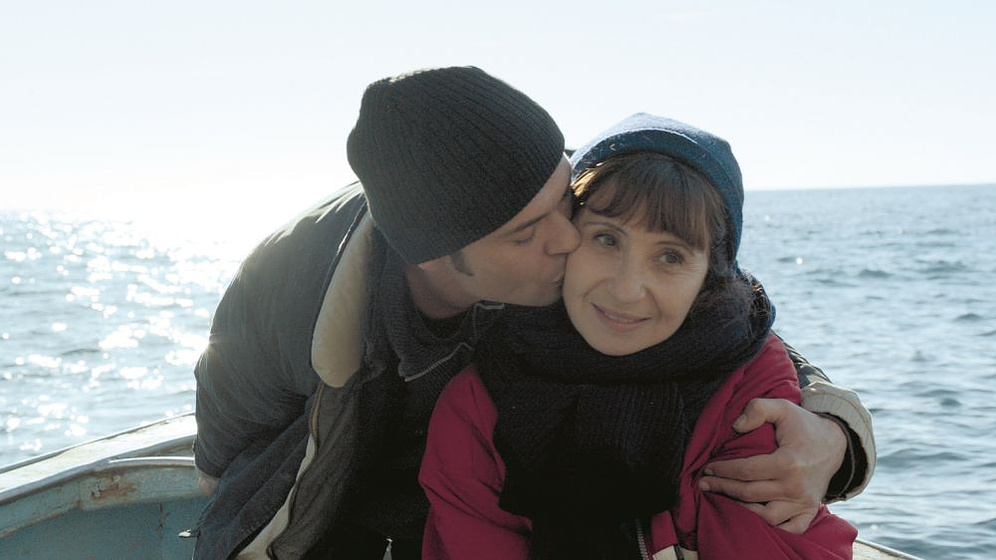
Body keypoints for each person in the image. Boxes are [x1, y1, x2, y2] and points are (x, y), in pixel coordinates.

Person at [191, 68, 873, 559]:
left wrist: (834, 426)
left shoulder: (558, 198)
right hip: (347, 493)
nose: (569, 240)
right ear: (437, 257)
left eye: (564, 203)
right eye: (527, 233)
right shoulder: (293, 291)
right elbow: (228, 413)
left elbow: (718, 301)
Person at [419, 113, 859, 559]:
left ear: (712, 274)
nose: (626, 289)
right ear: (567, 233)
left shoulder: (750, 387)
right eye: (607, 240)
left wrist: (838, 430)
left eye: (670, 256)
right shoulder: (478, 405)